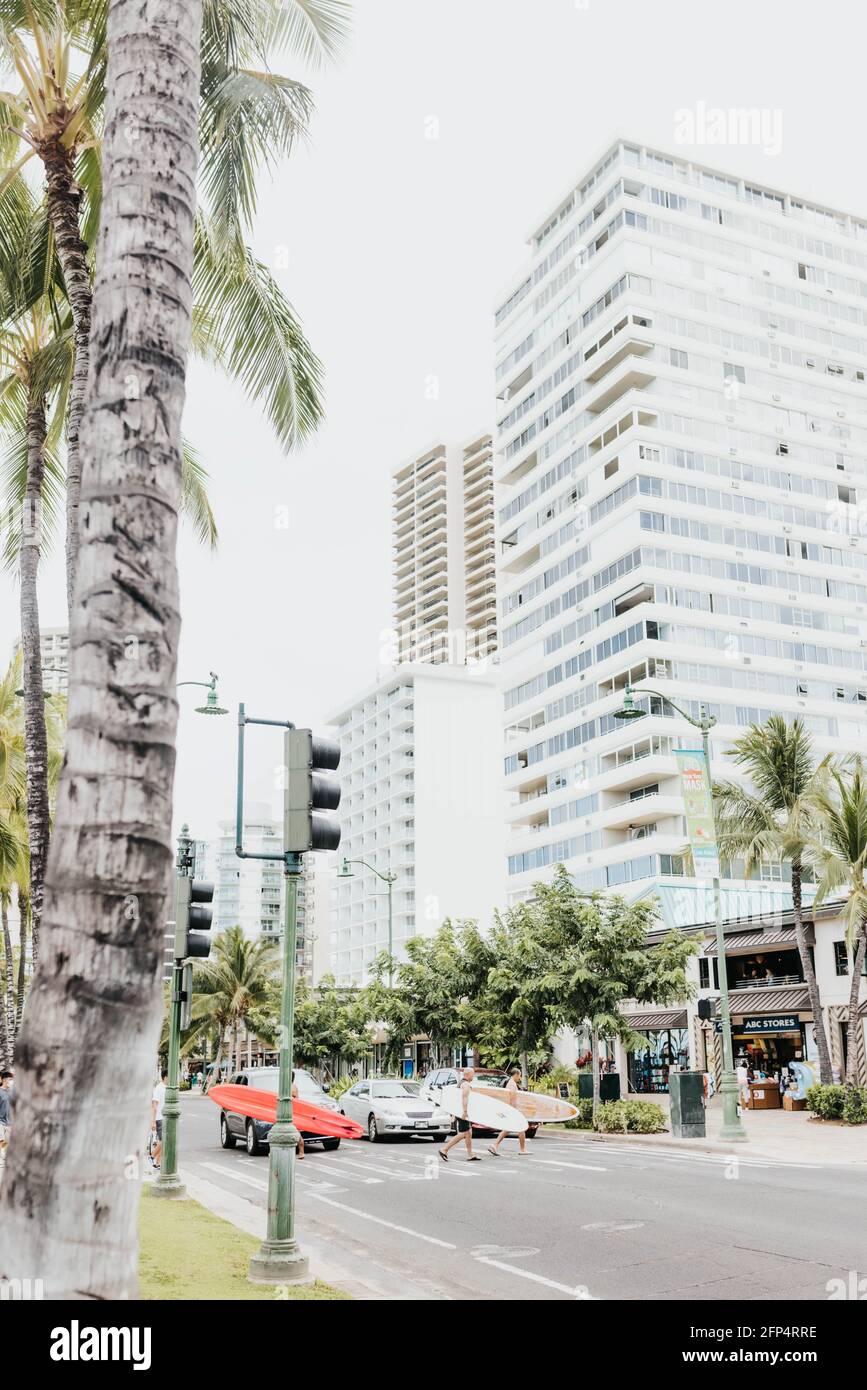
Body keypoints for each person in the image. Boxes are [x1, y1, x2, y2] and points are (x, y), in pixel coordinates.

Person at [439, 1068, 481, 1162]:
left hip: (460, 1111)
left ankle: (470, 1154)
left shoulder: (460, 1083)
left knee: (469, 1132)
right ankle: (444, 1149)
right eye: (472, 1074)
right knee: (463, 1133)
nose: (473, 1076)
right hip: (463, 1112)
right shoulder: (465, 1084)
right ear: (468, 1074)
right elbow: (464, 1098)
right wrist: (465, 1112)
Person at [488, 1068, 528, 1157]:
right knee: (520, 1127)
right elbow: (512, 1098)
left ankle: (495, 1145)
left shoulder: (509, 1083)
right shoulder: (513, 1084)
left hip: (510, 1109)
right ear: (516, 1074)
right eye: (520, 1075)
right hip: (512, 1109)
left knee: (512, 1128)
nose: (520, 1078)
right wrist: (513, 1110)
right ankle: (521, 1149)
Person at [150, 1069, 167, 1170]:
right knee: (164, 1140)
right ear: (165, 1077)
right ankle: (152, 1156)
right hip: (160, 1118)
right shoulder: (159, 1088)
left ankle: (157, 1163)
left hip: (166, 1117)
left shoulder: (168, 1087)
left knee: (164, 1142)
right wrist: (153, 1121)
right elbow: (154, 1105)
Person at [291, 1070, 304, 1161]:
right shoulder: (293, 1086)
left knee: (297, 1132)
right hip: (292, 1112)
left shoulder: (291, 1087)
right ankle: (301, 1151)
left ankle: (301, 1151)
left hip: (291, 1112)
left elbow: (294, 1099)